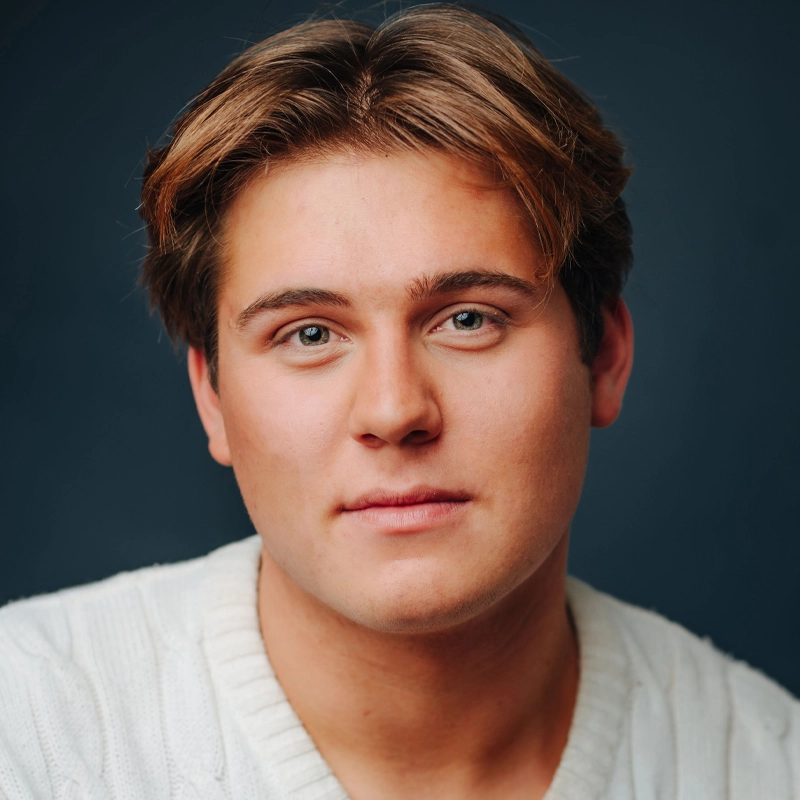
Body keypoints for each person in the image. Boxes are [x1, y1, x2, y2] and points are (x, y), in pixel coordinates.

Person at [0, 5, 797, 798]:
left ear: (607, 357)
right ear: (211, 396)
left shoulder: (764, 765)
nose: (393, 410)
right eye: (309, 334)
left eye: (469, 320)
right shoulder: (28, 730)